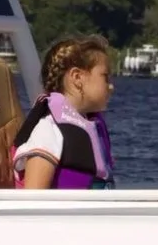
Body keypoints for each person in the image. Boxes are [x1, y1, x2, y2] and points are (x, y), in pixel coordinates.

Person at [13, 35, 117, 190]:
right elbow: (33, 198)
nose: (111, 86)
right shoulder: (48, 131)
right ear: (77, 78)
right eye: (105, 77)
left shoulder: (92, 126)